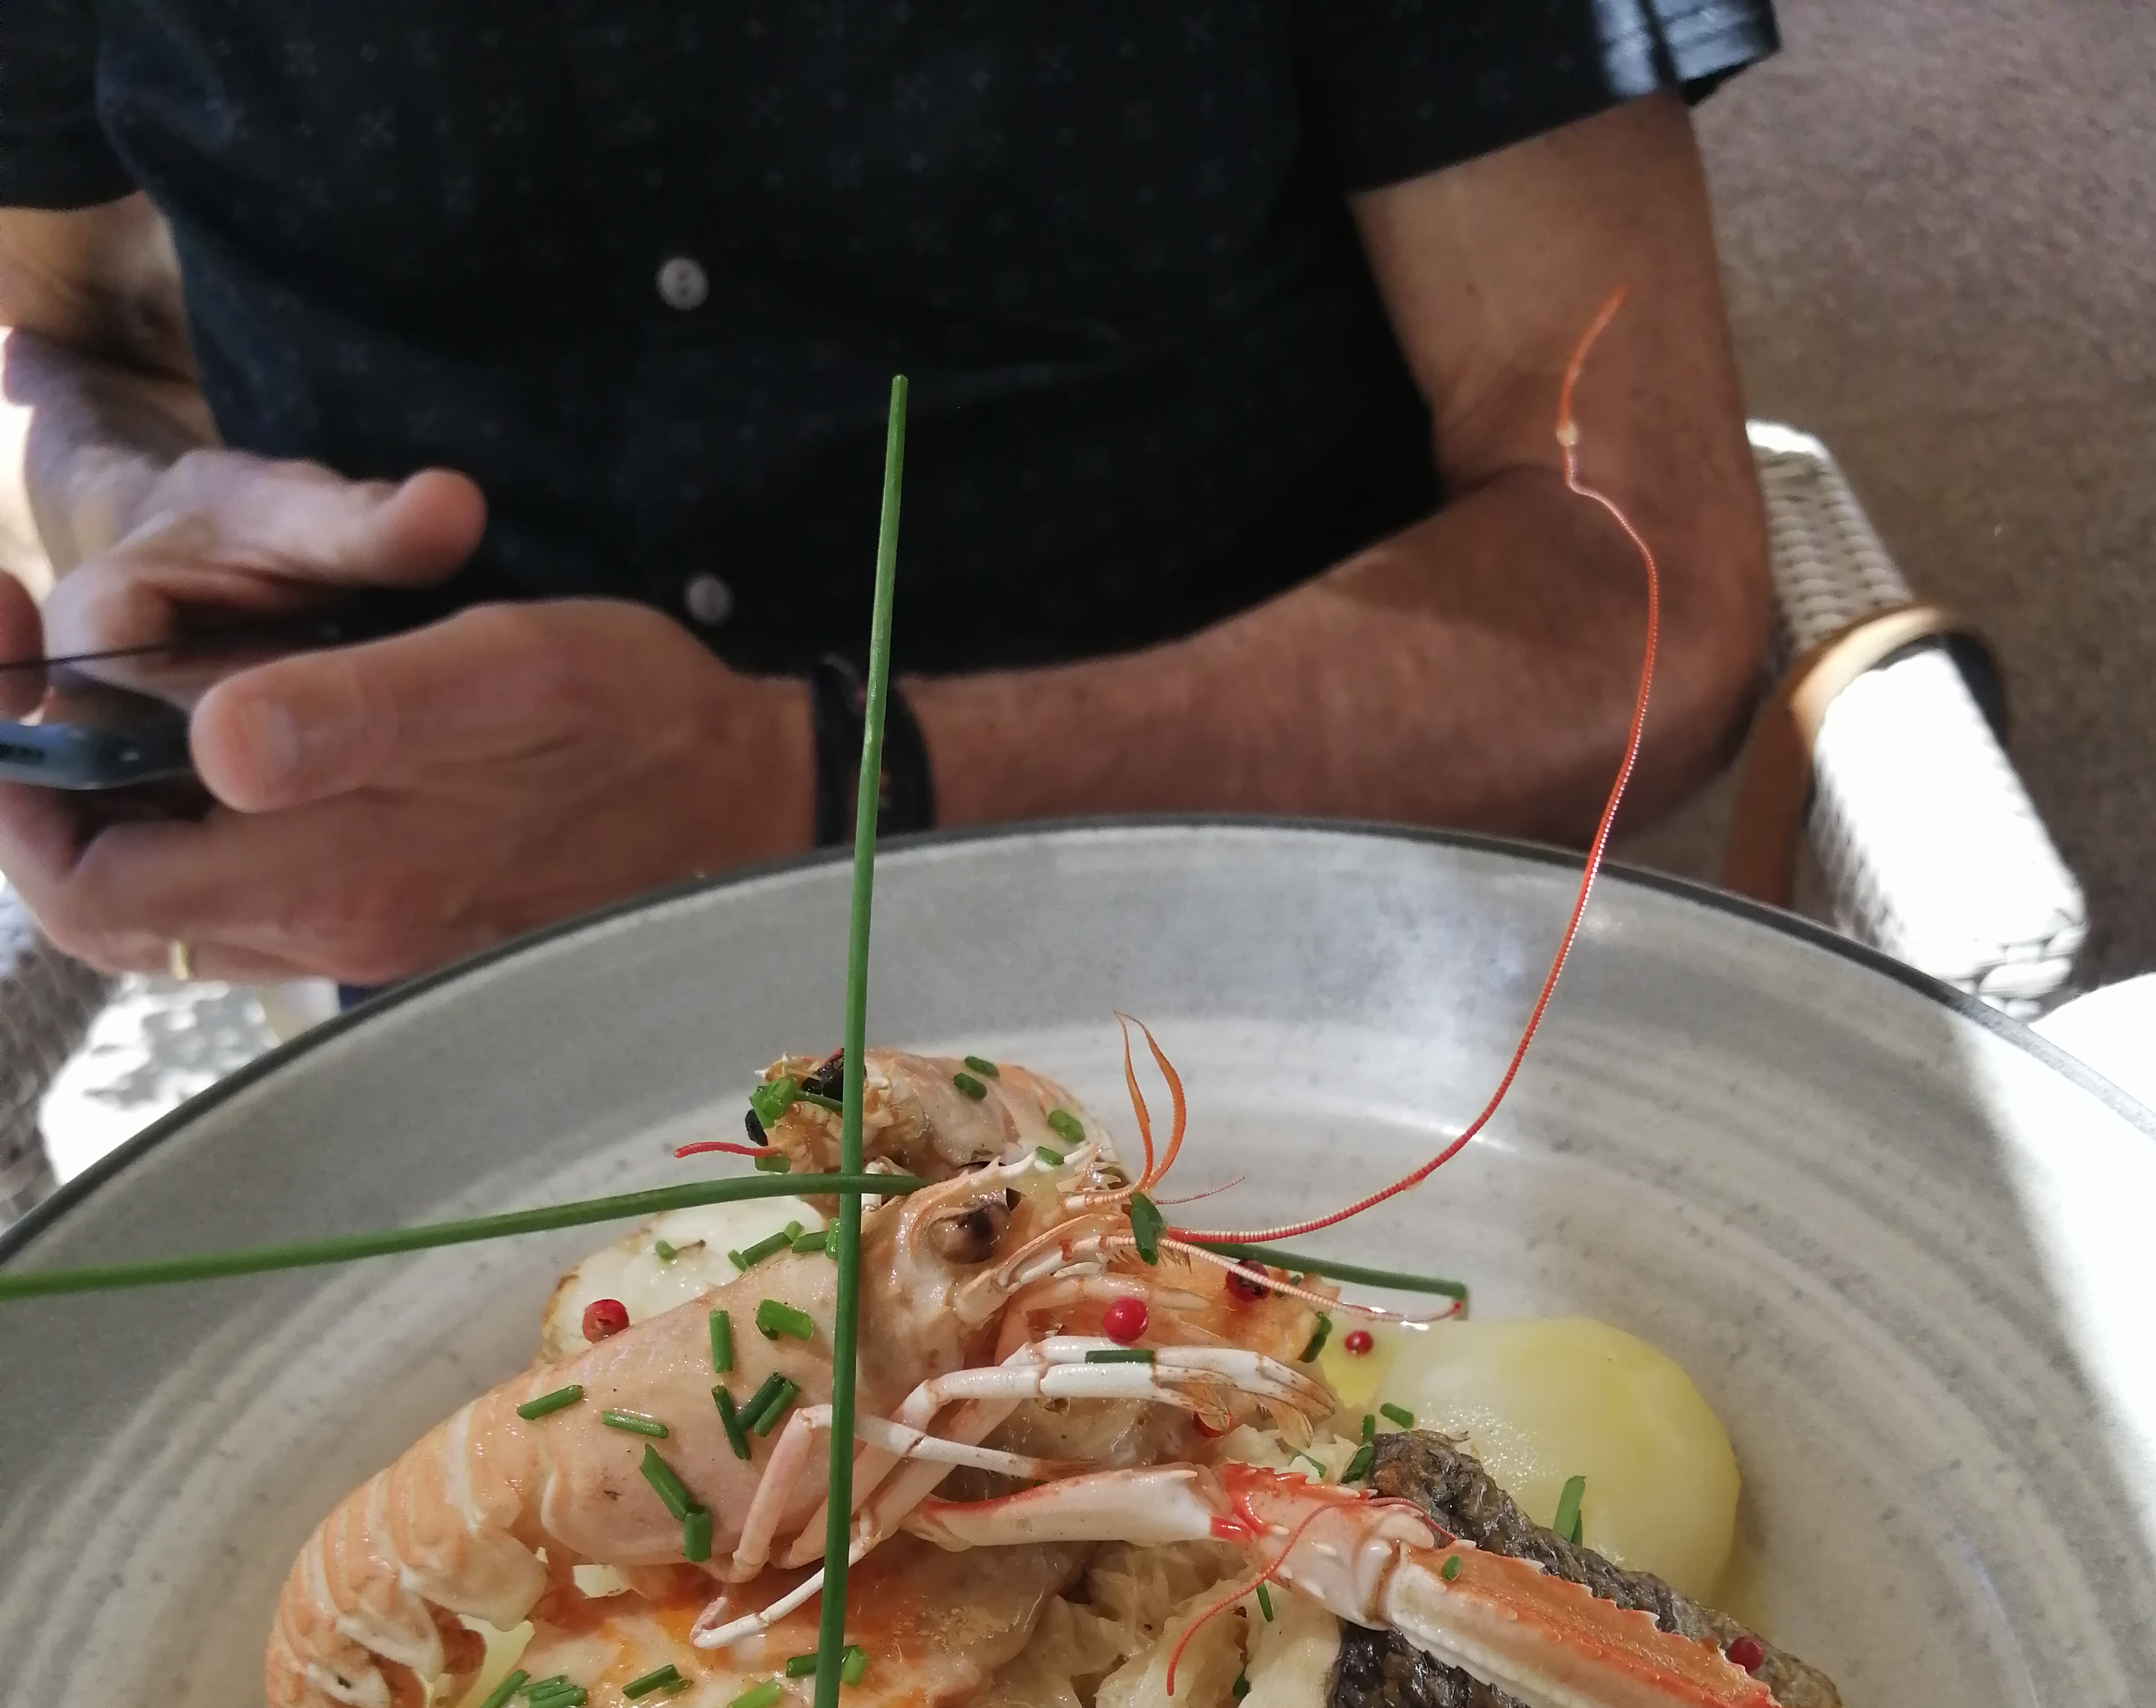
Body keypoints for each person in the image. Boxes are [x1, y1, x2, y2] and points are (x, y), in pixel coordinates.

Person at [0, 4, 1774, 989]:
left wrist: (826, 789)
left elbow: (1650, 589)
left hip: (1272, 1013)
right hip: (471, 1062)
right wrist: (144, 509)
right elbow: (71, 342)